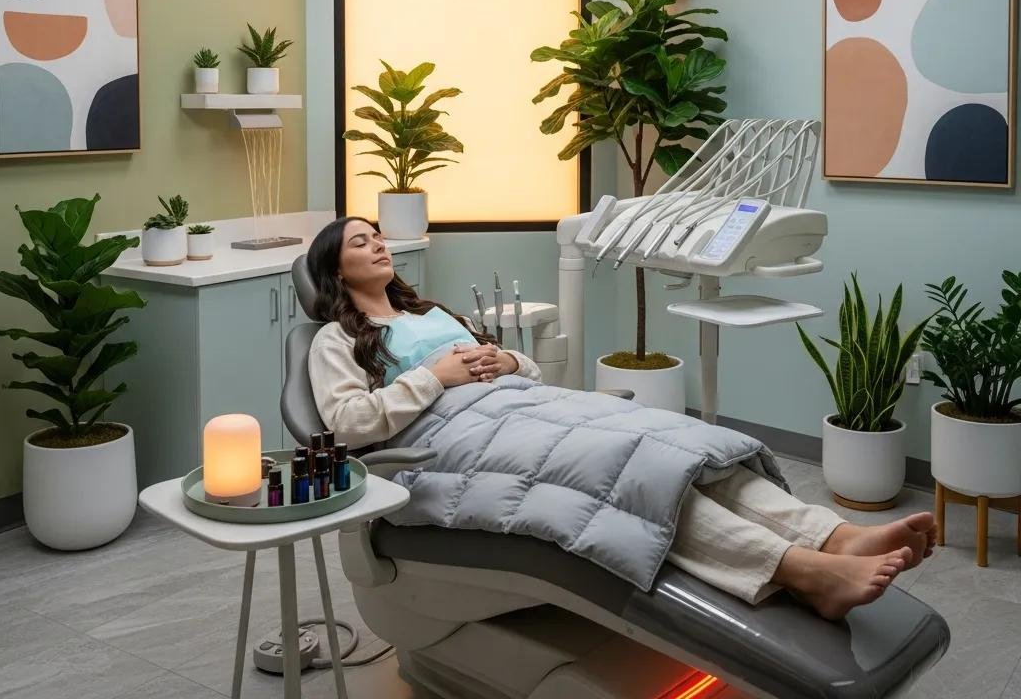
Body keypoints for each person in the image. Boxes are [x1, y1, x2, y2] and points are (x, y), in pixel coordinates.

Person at [307, 217, 936, 621]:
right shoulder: (335, 339)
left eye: (380, 234)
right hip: (448, 441)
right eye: (361, 241)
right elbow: (349, 423)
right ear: (337, 267)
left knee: (673, 440)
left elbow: (527, 369)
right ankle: (798, 570)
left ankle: (832, 537)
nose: (380, 243)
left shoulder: (431, 315)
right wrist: (433, 376)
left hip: (524, 406)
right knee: (627, 476)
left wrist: (504, 357)